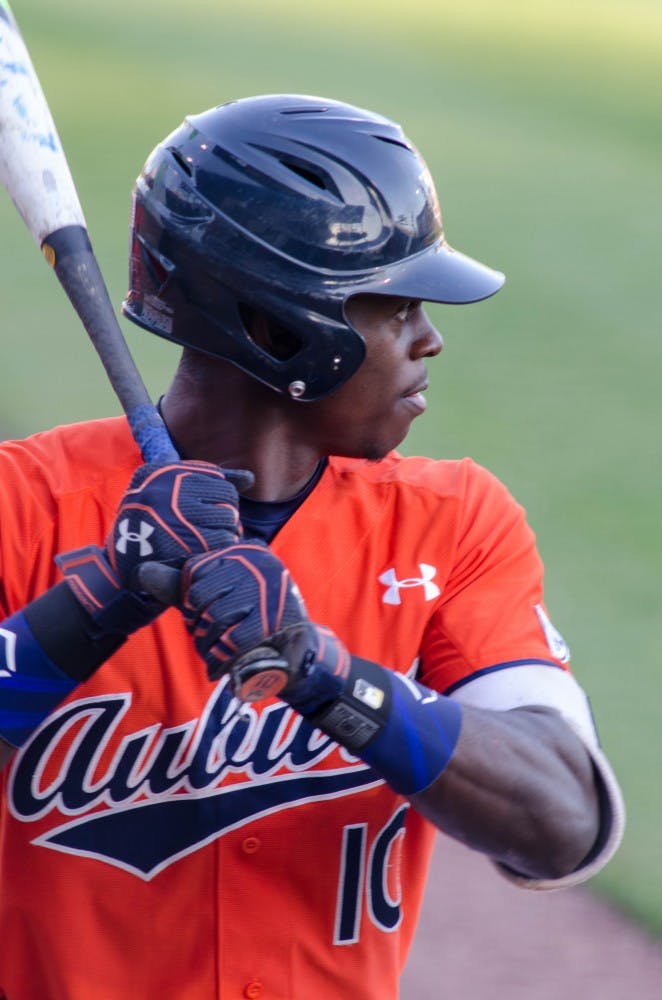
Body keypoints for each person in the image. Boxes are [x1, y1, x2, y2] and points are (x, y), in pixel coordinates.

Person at [0, 94, 624, 1000]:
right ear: (277, 327)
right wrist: (93, 604)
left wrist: (330, 678)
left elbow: (563, 820)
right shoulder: (24, 505)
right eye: (398, 307)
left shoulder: (453, 524)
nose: (429, 340)